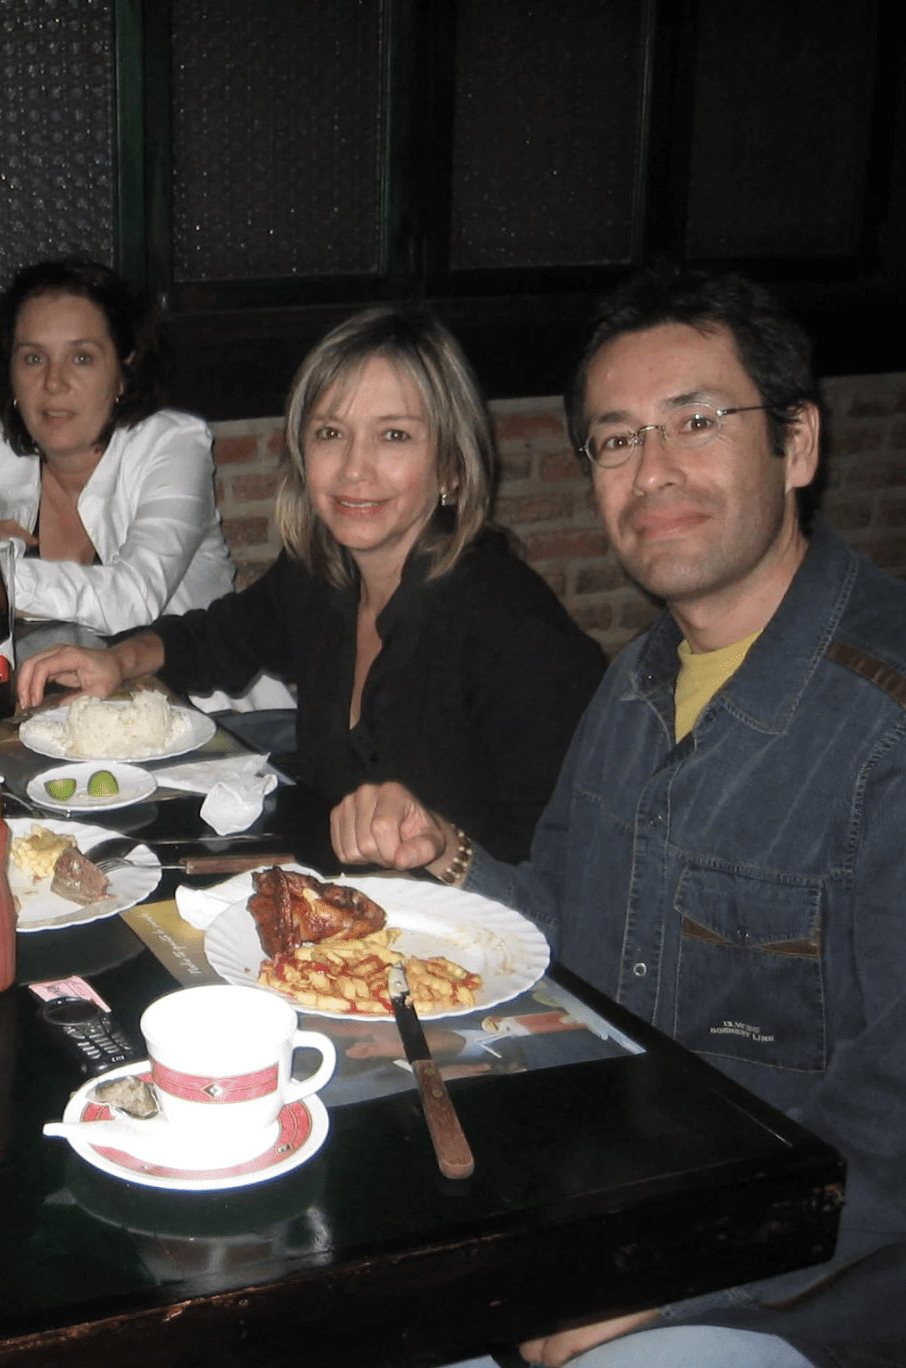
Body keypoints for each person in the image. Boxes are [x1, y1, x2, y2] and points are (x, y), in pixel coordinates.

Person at [333, 268, 904, 1368]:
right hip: (607, 1192)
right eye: (616, 439)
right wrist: (447, 853)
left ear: (797, 445)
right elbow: (568, 934)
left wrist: (675, 1273)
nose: (653, 471)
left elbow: (892, 1131)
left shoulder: (883, 725)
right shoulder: (637, 683)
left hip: (802, 1285)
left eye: (697, 421)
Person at [18, 305, 606, 863]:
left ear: (452, 464)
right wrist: (118, 661)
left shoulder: (515, 633)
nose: (354, 468)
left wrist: (444, 855)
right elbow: (219, 637)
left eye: (394, 436)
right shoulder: (322, 575)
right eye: (330, 433)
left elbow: (555, 873)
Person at [0, 258, 236, 635]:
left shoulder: (172, 446)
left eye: (81, 358)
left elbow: (133, 597)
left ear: (123, 372)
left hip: (185, 672)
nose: (53, 382)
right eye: (34, 358)